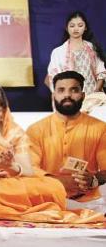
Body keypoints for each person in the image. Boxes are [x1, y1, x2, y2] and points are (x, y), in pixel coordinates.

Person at [0, 82, 103, 223]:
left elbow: (27, 170)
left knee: (50, 186)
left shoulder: (13, 131)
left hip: (11, 184)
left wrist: (11, 167)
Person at [27, 71, 105, 207]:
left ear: (83, 95)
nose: (67, 95)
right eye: (61, 90)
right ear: (54, 96)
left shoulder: (100, 128)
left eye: (74, 90)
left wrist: (93, 180)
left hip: (88, 202)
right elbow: (30, 169)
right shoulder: (36, 130)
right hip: (45, 201)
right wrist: (59, 181)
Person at [46, 11, 105, 95]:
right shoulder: (58, 52)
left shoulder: (92, 48)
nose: (76, 29)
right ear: (67, 28)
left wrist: (96, 92)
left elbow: (101, 72)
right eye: (72, 26)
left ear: (85, 27)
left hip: (93, 95)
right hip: (71, 96)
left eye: (80, 25)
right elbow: (53, 77)